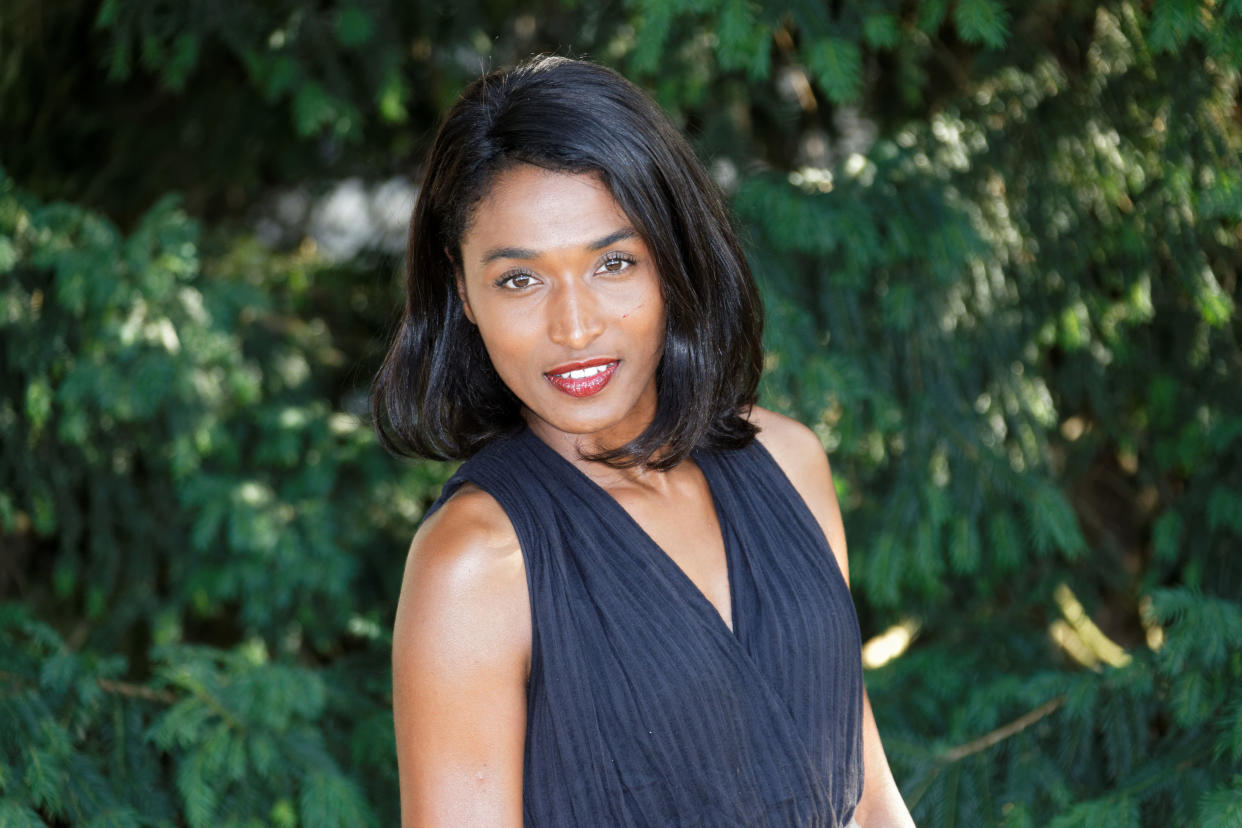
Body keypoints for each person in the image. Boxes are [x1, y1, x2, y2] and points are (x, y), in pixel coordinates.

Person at [373, 55, 916, 828]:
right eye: (520, 280)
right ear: (463, 293)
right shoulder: (477, 564)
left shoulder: (791, 463)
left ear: (674, 258)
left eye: (614, 262)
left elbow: (868, 799)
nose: (575, 327)